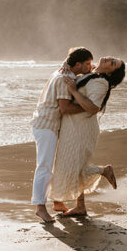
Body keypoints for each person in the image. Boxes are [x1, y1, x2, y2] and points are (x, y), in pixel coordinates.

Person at [51, 56, 126, 217]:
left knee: (73, 166)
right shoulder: (91, 73)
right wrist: (66, 65)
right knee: (72, 166)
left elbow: (93, 107)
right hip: (73, 126)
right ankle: (80, 206)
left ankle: (103, 171)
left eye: (112, 63)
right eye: (111, 58)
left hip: (82, 129)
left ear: (111, 73)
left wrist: (73, 92)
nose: (108, 59)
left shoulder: (101, 82)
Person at [31, 47, 94, 223]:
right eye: (88, 64)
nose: (91, 67)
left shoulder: (66, 72)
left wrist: (69, 63)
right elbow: (65, 108)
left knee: (52, 165)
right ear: (78, 64)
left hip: (47, 124)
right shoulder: (65, 79)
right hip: (46, 125)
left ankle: (57, 202)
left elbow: (90, 70)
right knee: (44, 166)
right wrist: (89, 108)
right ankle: (40, 208)